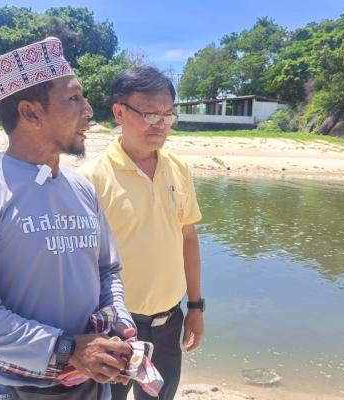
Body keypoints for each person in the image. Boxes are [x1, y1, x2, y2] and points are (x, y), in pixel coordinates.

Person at [0, 37, 136, 400]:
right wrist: (65, 348)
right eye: (74, 98)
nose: (88, 110)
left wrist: (120, 323)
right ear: (30, 112)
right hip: (10, 390)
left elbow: (108, 270)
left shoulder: (81, 188)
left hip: (90, 386)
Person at [79, 65, 205, 400]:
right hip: (113, 328)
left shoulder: (178, 168)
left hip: (169, 322)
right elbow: (80, 263)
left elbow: (188, 238)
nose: (160, 124)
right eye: (149, 114)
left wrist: (195, 306)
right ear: (120, 112)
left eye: (167, 114)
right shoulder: (91, 179)